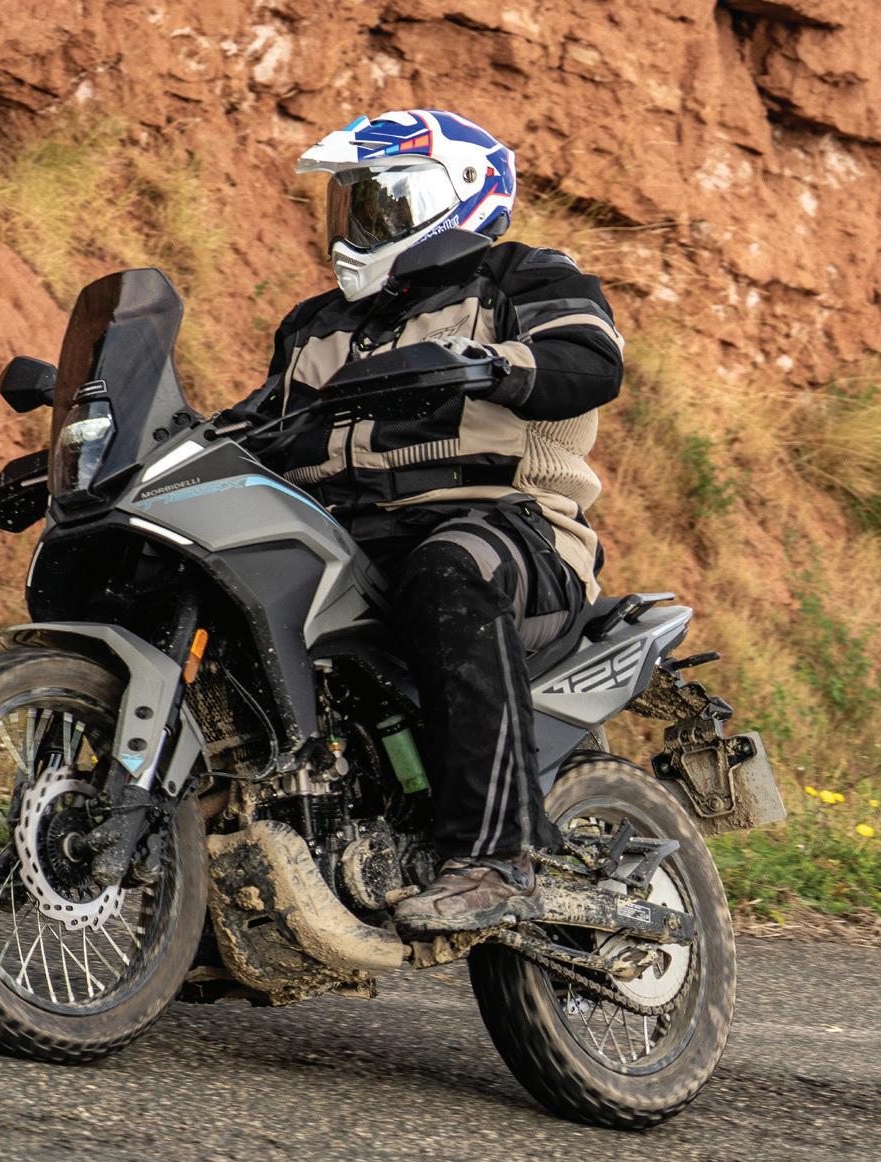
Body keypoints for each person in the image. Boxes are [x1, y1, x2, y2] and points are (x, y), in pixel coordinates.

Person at [234, 109, 625, 936]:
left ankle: (497, 859)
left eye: (379, 201)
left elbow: (588, 361)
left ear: (457, 195)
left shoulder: (523, 277)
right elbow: (256, 425)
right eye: (349, 204)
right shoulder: (316, 326)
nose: (355, 224)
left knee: (450, 567)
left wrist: (492, 364)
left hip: (510, 528)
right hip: (353, 542)